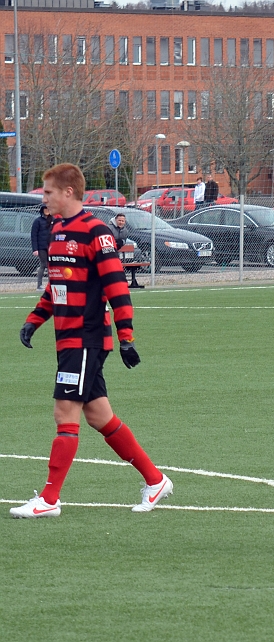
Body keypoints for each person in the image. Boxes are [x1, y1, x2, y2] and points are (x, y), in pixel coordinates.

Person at [12, 163, 173, 519]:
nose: (45, 197)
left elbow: (117, 287)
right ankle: (156, 479)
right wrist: (34, 320)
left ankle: (49, 500)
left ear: (68, 192)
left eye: (49, 191)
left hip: (86, 340)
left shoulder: (96, 232)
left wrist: (126, 336)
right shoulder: (56, 231)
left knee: (64, 413)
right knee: (100, 415)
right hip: (67, 339)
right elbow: (59, 286)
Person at [31, 204, 53, 291]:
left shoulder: (53, 220)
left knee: (51, 266)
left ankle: (50, 284)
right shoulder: (37, 221)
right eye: (45, 209)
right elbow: (34, 235)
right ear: (42, 210)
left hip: (51, 247)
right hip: (41, 247)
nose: (47, 210)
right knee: (44, 265)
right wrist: (35, 249)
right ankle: (39, 285)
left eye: (48, 208)